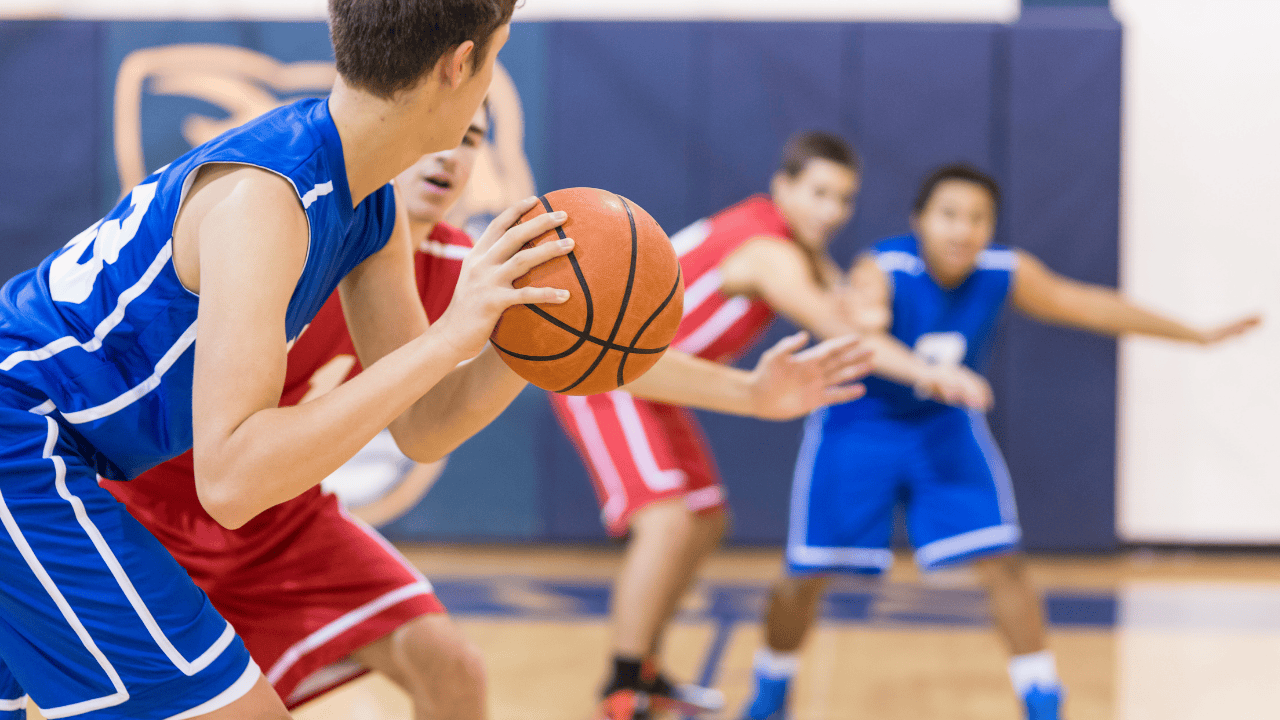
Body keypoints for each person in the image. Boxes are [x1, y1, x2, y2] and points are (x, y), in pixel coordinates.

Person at [0, 1, 553, 717]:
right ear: (459, 65)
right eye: (496, 56)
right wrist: (450, 336)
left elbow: (423, 424)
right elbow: (232, 480)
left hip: (47, 443)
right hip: (20, 436)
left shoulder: (367, 198)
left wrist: (536, 338)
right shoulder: (268, 198)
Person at [738, 163, 1262, 720]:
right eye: (948, 215)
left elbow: (1088, 304)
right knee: (807, 573)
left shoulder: (1002, 271)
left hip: (943, 427)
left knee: (1002, 560)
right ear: (919, 220)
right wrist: (900, 345)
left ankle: (1042, 696)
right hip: (859, 426)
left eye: (978, 218)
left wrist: (1195, 334)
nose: (962, 230)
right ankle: (772, 685)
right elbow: (861, 332)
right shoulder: (883, 267)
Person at [548, 131, 869, 720]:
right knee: (667, 521)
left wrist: (866, 294)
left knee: (706, 520)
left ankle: (645, 667)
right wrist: (923, 365)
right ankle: (621, 687)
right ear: (783, 188)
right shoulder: (769, 251)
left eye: (844, 199)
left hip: (661, 383)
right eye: (819, 193)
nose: (831, 211)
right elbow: (843, 325)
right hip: (608, 370)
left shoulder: (788, 239)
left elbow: (847, 296)